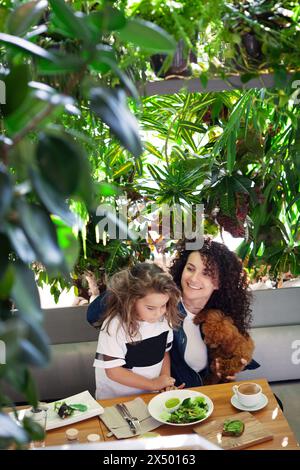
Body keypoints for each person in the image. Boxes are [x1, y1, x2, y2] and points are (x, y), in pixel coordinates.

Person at [88, 238, 259, 391]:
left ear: (220, 283)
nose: (193, 278)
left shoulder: (219, 316)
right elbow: (93, 315)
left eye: (206, 273)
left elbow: (235, 352)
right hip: (168, 398)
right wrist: (139, 282)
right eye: (190, 269)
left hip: (202, 394)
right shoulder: (163, 307)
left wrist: (226, 366)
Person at [93, 263, 181, 399]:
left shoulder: (164, 320)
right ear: (131, 301)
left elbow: (164, 353)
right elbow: (113, 372)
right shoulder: (114, 326)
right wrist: (153, 384)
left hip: (149, 397)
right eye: (150, 308)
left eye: (163, 305)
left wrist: (165, 379)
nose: (158, 313)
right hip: (115, 401)